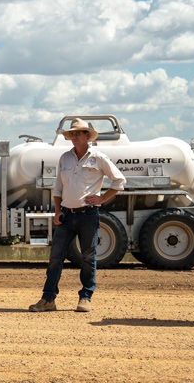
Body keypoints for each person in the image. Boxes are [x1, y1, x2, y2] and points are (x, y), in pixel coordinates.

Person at [29, 118, 125, 313]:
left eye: (77, 133)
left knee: (89, 257)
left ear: (87, 136)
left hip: (88, 215)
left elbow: (119, 180)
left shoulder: (98, 158)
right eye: (71, 134)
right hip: (66, 215)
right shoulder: (65, 158)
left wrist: (102, 199)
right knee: (56, 258)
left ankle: (85, 297)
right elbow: (58, 188)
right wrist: (57, 211)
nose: (73, 137)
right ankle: (48, 299)